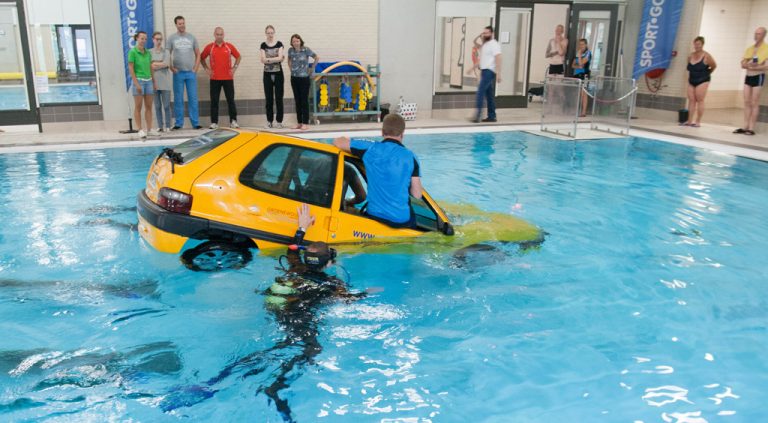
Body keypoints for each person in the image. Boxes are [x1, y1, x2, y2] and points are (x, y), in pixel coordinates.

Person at [159, 204, 367, 422]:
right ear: (329, 262)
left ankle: (216, 381)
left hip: (279, 311)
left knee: (276, 348)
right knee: (310, 349)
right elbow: (348, 301)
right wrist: (367, 293)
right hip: (299, 317)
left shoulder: (294, 267)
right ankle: (275, 388)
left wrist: (302, 227)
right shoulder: (333, 283)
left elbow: (293, 248)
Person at [332, 114, 422, 227]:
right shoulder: (411, 156)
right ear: (403, 134)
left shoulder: (369, 148)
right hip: (401, 220)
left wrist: (351, 140)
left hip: (375, 216)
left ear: (382, 132)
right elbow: (417, 194)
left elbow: (337, 142)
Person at [201, 27, 241, 129]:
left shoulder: (229, 46)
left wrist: (234, 68)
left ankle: (233, 121)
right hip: (214, 79)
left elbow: (238, 56)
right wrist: (206, 68)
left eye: (221, 34)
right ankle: (214, 122)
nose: (219, 36)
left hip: (228, 78)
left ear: (224, 35)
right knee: (214, 101)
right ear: (214, 35)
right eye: (217, 34)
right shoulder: (210, 47)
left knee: (230, 100)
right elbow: (201, 57)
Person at [167, 15, 202, 130]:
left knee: (193, 98)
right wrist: (172, 68)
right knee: (178, 99)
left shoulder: (191, 37)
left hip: (190, 73)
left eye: (183, 23)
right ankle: (178, 123)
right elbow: (167, 55)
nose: (182, 25)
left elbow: (198, 54)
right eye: (180, 24)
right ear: (176, 25)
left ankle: (195, 123)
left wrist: (195, 68)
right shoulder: (172, 38)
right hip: (178, 73)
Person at [734, 27, 768, 136]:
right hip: (748, 77)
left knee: (754, 102)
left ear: (763, 35)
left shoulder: (766, 49)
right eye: (755, 33)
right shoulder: (750, 49)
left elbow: (766, 66)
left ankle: (751, 128)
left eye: (758, 34)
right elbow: (742, 64)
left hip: (758, 77)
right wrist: (751, 65)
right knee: (747, 102)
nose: (756, 36)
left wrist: (753, 67)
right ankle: (745, 126)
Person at [683, 36, 717, 127]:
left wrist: (707, 73)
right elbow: (689, 68)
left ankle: (697, 121)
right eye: (695, 44)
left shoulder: (706, 56)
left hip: (703, 80)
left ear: (702, 45)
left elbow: (714, 66)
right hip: (692, 80)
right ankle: (689, 121)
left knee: (700, 100)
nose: (697, 46)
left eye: (698, 44)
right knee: (691, 100)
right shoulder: (690, 56)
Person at [127, 31, 155, 139]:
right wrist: (136, 83)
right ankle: (140, 129)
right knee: (138, 107)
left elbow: (150, 67)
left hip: (148, 81)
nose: (143, 41)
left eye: (145, 39)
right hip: (139, 81)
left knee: (149, 107)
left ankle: (149, 129)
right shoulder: (132, 52)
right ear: (137, 39)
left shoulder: (148, 52)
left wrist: (154, 81)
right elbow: (131, 68)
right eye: (141, 38)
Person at [287, 34, 318, 130]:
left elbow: (316, 57)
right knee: (297, 101)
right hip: (294, 78)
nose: (295, 42)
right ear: (291, 42)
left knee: (304, 101)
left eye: (297, 41)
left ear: (300, 41)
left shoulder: (306, 50)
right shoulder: (290, 50)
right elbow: (289, 60)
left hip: (304, 78)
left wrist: (311, 68)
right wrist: (290, 69)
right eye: (294, 41)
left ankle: (305, 122)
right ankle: (299, 122)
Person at [474, 26, 502, 123]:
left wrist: (498, 73)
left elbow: (498, 58)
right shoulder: (485, 45)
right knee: (489, 95)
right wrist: (472, 68)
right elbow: (475, 43)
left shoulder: (494, 44)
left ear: (491, 33)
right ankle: (492, 116)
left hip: (490, 71)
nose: (484, 35)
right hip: (484, 71)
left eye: (486, 33)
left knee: (480, 91)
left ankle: (478, 115)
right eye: (484, 33)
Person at [261, 25, 285, 129]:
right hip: (267, 74)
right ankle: (269, 121)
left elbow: (280, 58)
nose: (270, 35)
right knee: (269, 99)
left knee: (279, 98)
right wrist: (276, 59)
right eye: (268, 33)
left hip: (278, 73)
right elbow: (262, 60)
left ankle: (279, 121)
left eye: (272, 33)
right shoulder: (263, 45)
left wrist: (269, 59)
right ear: (266, 33)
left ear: (274, 33)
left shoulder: (279, 44)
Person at [150, 31, 172, 133]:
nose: (159, 41)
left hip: (165, 83)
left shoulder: (166, 52)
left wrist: (155, 64)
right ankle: (160, 125)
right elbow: (149, 66)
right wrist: (160, 63)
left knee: (166, 105)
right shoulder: (149, 52)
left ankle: (168, 125)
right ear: (153, 40)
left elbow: (167, 64)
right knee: (157, 106)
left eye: (160, 39)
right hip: (154, 83)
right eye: (157, 39)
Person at [571, 38, 592, 118]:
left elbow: (582, 63)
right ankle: (578, 110)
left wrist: (579, 58)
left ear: (586, 45)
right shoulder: (578, 52)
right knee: (578, 93)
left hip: (584, 75)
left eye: (582, 44)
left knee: (584, 94)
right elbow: (573, 65)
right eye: (580, 44)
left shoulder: (588, 53)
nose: (581, 46)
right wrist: (579, 65)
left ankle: (583, 112)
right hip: (576, 74)